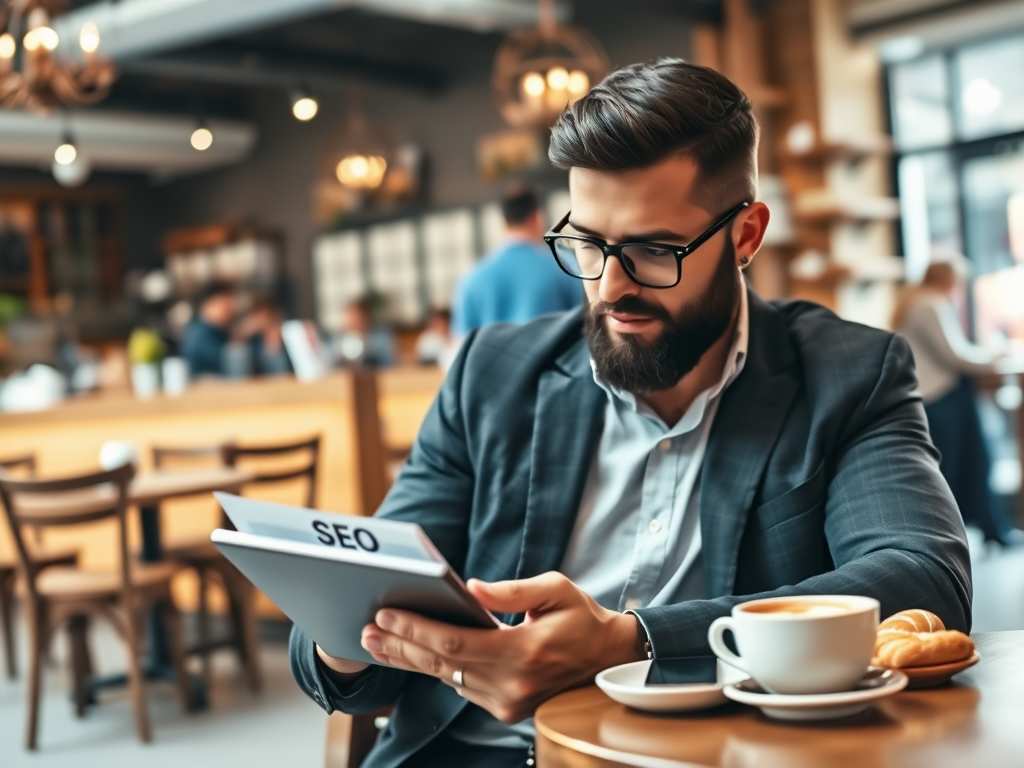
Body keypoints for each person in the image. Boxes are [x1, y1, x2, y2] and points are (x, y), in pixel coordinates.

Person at [290, 59, 971, 767]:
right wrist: (351, 631)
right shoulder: (491, 375)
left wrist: (634, 640)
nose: (611, 287)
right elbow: (344, 664)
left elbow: (924, 577)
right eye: (587, 244)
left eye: (653, 250)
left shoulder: (849, 374)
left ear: (745, 236)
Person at [894, 257, 1021, 545]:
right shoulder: (929, 303)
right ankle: (968, 534)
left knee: (958, 465)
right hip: (941, 395)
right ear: (951, 281)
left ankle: (985, 530)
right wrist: (996, 358)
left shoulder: (915, 300)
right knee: (968, 463)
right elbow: (956, 356)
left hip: (933, 395)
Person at [452, 185, 582, 336]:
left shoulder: (470, 278)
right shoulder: (563, 266)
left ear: (503, 221)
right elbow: (584, 326)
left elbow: (462, 343)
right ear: (538, 217)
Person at [180, 282, 237, 377]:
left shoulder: (217, 331)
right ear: (208, 304)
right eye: (226, 304)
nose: (231, 309)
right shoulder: (198, 336)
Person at [233, 295, 291, 376]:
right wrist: (243, 333)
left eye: (262, 313)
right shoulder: (253, 339)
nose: (259, 318)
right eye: (255, 314)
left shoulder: (286, 333)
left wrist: (273, 338)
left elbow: (282, 367)